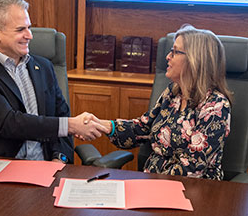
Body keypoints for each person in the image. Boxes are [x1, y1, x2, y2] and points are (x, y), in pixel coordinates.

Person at [0, 0, 107, 164]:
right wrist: (71, 125)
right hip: (1, 170)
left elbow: (61, 115)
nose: (30, 35)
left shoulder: (44, 67)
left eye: (29, 27)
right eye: (21, 29)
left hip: (46, 167)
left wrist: (60, 158)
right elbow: (8, 123)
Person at [84, 25, 232, 180]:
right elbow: (142, 129)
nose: (168, 56)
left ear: (195, 60)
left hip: (191, 190)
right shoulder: (172, 93)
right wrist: (103, 125)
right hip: (154, 182)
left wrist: (150, 183)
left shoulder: (215, 106)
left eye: (175, 52)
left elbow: (193, 167)